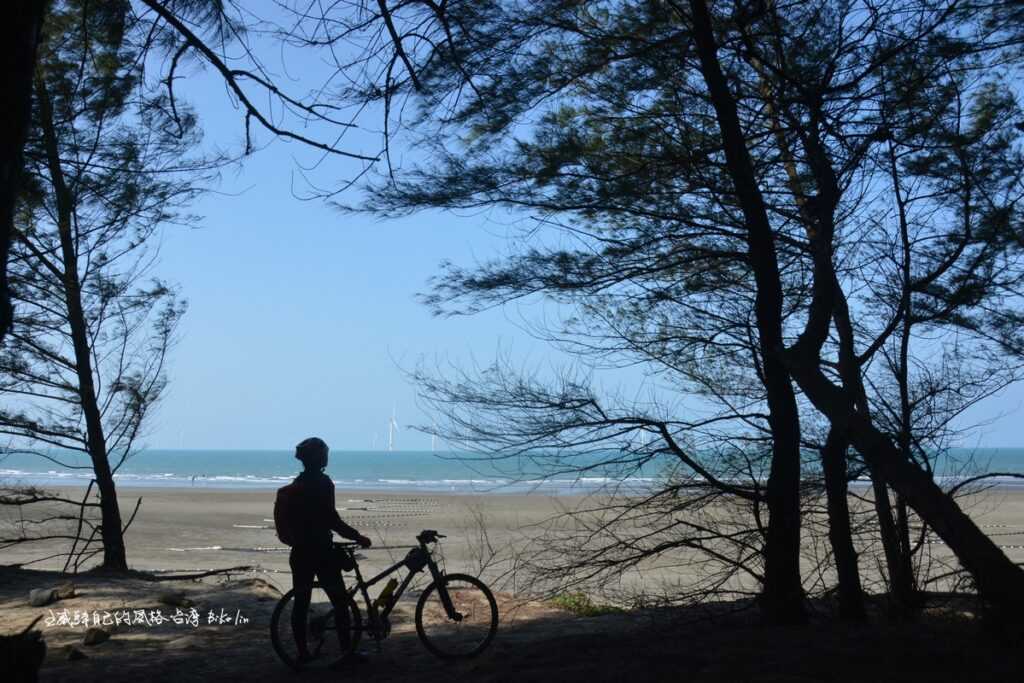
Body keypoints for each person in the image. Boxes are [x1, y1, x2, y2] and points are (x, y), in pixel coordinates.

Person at [288, 437, 371, 667]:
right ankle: (346, 653)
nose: (326, 457)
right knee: (340, 603)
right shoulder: (324, 483)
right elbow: (332, 520)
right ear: (319, 457)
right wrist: (358, 536)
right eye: (324, 453)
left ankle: (302, 653)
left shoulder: (297, 484)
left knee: (301, 604)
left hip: (300, 552)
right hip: (322, 553)